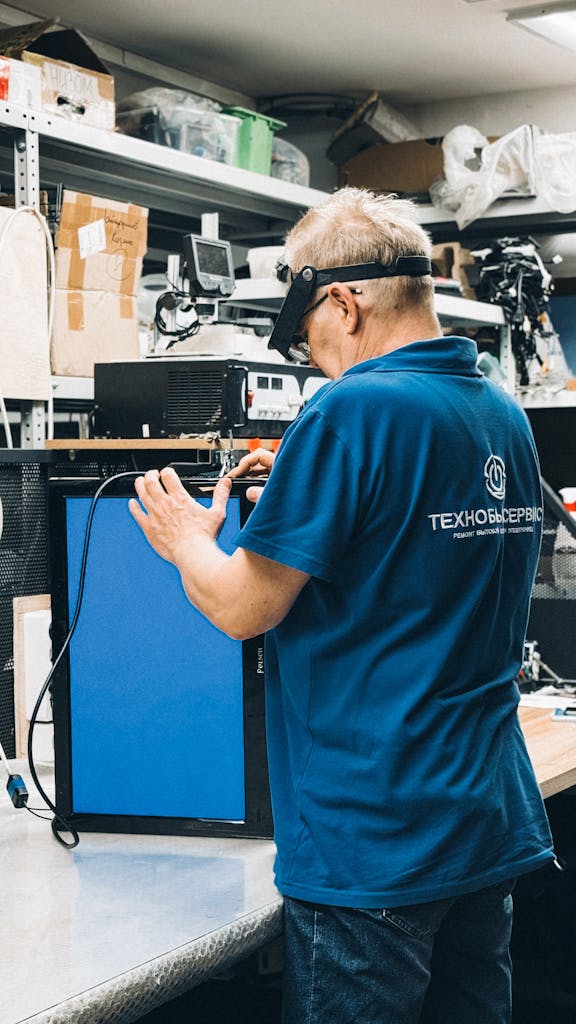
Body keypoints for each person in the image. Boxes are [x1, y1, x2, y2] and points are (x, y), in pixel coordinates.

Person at [129, 188, 554, 1024]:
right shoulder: (500, 411)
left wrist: (186, 539)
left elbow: (245, 607)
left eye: (306, 333)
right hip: (484, 819)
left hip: (375, 838)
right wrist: (309, 478)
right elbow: (413, 549)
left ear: (344, 302)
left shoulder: (350, 411)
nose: (310, 358)